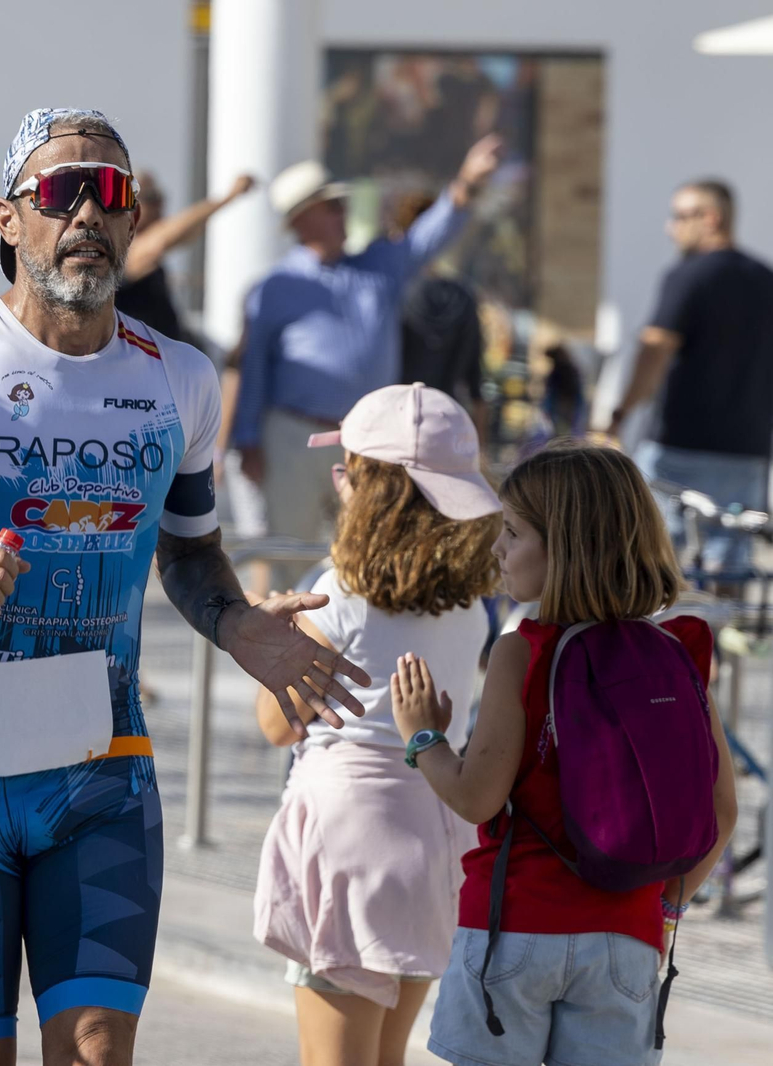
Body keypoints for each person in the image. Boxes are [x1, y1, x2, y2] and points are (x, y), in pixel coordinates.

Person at [0, 106, 370, 1066]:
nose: (89, 213)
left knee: (97, 1051)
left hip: (102, 775)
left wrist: (239, 626)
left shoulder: (180, 379)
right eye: (63, 192)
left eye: (113, 193)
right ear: (9, 219)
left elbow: (190, 553)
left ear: (137, 221)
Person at [389, 442, 737, 1066]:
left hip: (512, 928)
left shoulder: (523, 652)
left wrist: (424, 738)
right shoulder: (675, 654)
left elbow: (476, 796)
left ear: (566, 548)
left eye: (514, 532)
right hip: (626, 939)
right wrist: (664, 904)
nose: (497, 547)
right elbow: (723, 810)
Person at [252, 384, 501, 1066]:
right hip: (435, 840)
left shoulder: (334, 593)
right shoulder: (471, 606)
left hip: (348, 842)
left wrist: (269, 638)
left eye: (347, 473)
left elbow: (277, 723)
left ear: (368, 488)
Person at [223, 135, 502, 588]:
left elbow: (430, 236)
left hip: (368, 440)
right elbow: (253, 368)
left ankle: (347, 651)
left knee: (368, 554)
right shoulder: (273, 288)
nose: (342, 212)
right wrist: (247, 439)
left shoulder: (378, 266)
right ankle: (287, 650)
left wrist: (468, 182)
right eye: (330, 206)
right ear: (301, 219)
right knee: (289, 556)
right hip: (293, 436)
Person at [604, 179, 773, 578]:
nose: (670, 228)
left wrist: (619, 414)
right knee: (728, 567)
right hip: (746, 451)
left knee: (649, 558)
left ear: (710, 218)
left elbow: (655, 349)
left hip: (679, 450)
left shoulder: (689, 275)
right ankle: (716, 641)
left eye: (680, 216)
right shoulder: (766, 279)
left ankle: (657, 641)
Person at [114, 170, 256, 344]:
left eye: (160, 197)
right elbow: (164, 238)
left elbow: (187, 233)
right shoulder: (123, 248)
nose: (160, 204)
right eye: (151, 198)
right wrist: (229, 196)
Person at [393, 192, 487, 434]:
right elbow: (475, 379)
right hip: (445, 420)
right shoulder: (462, 296)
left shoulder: (389, 295)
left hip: (393, 419)